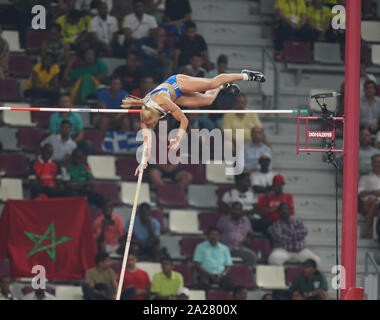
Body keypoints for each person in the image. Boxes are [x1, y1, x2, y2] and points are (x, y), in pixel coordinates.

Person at [121, 70, 266, 175]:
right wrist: (143, 162)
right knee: (208, 100)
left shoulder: (164, 101)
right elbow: (147, 141)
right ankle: (222, 87)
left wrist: (177, 139)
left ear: (156, 113)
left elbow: (184, 120)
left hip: (177, 84)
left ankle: (245, 75)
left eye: (153, 122)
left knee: (212, 83)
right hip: (175, 98)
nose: (152, 125)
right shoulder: (144, 117)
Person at [267, 203, 321, 268]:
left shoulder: (298, 222)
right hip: (283, 250)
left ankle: (311, 278)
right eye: (282, 209)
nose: (284, 211)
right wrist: (297, 236)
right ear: (278, 212)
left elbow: (304, 232)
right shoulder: (275, 225)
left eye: (286, 209)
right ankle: (280, 278)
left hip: (300, 250)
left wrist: (287, 233)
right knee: (273, 259)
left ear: (290, 211)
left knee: (316, 260)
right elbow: (280, 238)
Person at [217, 201, 257, 267]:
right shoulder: (224, 220)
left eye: (239, 209)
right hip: (224, 248)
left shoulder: (246, 221)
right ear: (231, 210)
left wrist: (248, 239)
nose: (237, 211)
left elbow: (250, 233)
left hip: (239, 248)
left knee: (252, 257)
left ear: (242, 211)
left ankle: (242, 274)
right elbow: (216, 233)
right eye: (235, 209)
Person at [358, 154, 380, 238]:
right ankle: (367, 231)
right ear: (372, 164)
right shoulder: (365, 178)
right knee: (375, 204)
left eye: (379, 162)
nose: (377, 164)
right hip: (369, 203)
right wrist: (373, 192)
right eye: (375, 162)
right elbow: (359, 193)